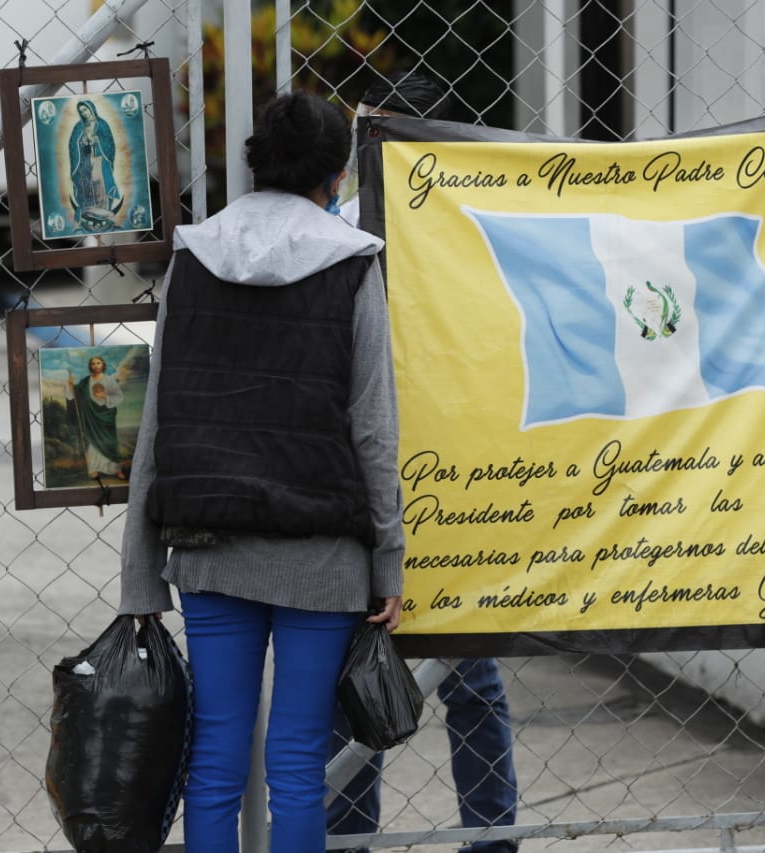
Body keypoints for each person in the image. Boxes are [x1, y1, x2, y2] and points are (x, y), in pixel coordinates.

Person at [119, 90, 405, 853]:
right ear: (336, 173)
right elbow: (373, 429)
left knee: (214, 761)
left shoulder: (193, 255)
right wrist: (389, 562)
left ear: (255, 162)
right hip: (322, 554)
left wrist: (140, 576)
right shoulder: (352, 263)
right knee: (298, 768)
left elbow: (158, 424)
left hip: (211, 546)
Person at [328, 71, 520, 853]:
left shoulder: (370, 225)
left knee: (413, 680)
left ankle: (367, 840)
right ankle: (483, 837)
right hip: (420, 481)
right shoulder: (353, 229)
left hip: (416, 482)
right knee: (442, 682)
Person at [65, 355, 124, 480]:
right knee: (93, 443)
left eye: (98, 363)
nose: (96, 365)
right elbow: (75, 394)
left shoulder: (109, 380)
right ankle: (94, 469)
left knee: (110, 443)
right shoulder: (86, 381)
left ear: (103, 365)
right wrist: (70, 386)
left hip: (106, 417)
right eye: (93, 363)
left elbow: (119, 397)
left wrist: (105, 397)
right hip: (90, 418)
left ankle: (115, 469)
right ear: (90, 366)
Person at [68, 98, 121, 228]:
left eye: (85, 109)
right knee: (86, 184)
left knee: (99, 182)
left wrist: (97, 141)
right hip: (85, 161)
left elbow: (109, 144)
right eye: (81, 111)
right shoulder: (79, 127)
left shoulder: (102, 124)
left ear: (91, 109)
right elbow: (72, 145)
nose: (84, 113)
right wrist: (82, 143)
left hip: (99, 159)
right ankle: (88, 210)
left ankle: (102, 210)